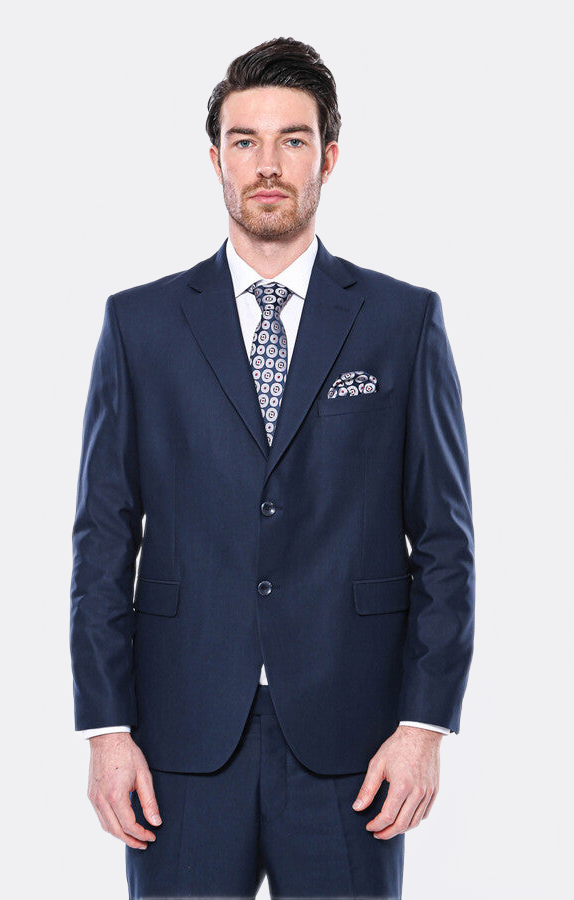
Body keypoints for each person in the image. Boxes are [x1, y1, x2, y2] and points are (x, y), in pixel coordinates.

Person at [70, 36, 475, 900]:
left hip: (356, 744)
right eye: (244, 141)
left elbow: (445, 542)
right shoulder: (140, 326)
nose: (267, 165)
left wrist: (423, 725)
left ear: (328, 157)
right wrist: (105, 727)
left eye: (292, 140)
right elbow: (103, 538)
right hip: (178, 740)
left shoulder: (402, 322)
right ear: (215, 158)